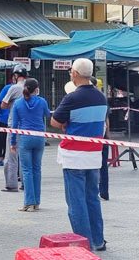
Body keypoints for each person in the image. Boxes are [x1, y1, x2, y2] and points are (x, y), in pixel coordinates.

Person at [51, 58, 108, 252]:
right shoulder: (101, 97)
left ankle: (84, 245)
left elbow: (55, 122)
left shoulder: (72, 98)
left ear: (74, 73)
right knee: (92, 198)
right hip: (94, 155)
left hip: (74, 155)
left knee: (76, 202)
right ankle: (98, 240)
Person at [10, 78, 50, 212]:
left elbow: (14, 125)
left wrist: (12, 143)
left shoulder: (18, 103)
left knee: (26, 171)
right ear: (36, 89)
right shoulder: (42, 101)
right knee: (37, 169)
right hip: (39, 137)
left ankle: (29, 202)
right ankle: (37, 202)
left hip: (25, 138)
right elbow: (48, 114)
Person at [0, 65, 28, 192]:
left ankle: (11, 184)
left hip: (14, 126)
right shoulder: (32, 88)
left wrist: (13, 104)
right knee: (24, 156)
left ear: (16, 76)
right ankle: (25, 183)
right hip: (27, 127)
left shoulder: (14, 88)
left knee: (11, 156)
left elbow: (3, 104)